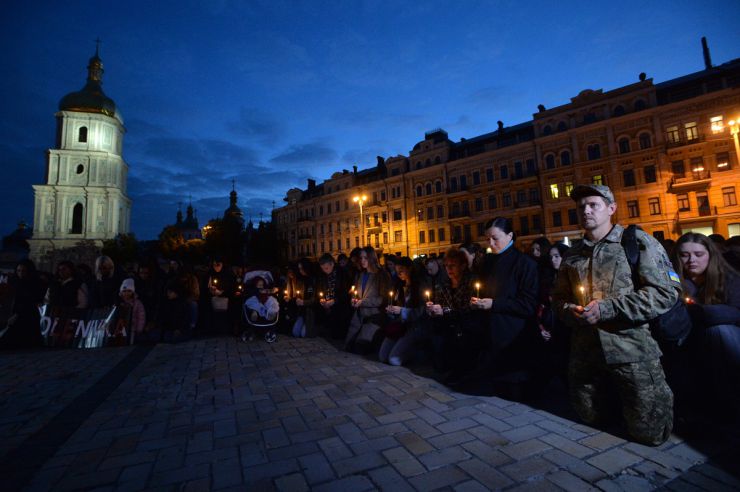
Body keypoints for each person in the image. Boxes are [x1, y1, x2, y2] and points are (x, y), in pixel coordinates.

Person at [552, 184, 680, 446]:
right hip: (586, 351)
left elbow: (665, 292)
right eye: (581, 206)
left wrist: (608, 309)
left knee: (651, 433)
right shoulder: (573, 254)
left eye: (593, 205)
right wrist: (570, 311)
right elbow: (558, 299)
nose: (585, 210)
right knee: (590, 416)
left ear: (611, 209)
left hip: (630, 349)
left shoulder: (635, 242)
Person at [672, 232, 740, 421]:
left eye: (698, 254)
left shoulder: (730, 278)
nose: (691, 260)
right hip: (690, 340)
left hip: (728, 340)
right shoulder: (674, 282)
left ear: (710, 254)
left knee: (718, 332)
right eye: (685, 255)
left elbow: (737, 310)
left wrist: (702, 312)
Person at [470, 217, 540, 397]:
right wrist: (478, 301)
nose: (491, 243)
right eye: (487, 239)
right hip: (492, 336)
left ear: (510, 236)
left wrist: (494, 303)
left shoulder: (525, 264)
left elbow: (528, 304)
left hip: (514, 338)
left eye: (495, 238)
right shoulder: (488, 262)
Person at [426, 248, 478, 381]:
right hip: (447, 323)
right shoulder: (443, 284)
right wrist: (433, 309)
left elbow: (469, 309)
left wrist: (445, 311)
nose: (448, 269)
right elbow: (439, 304)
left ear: (463, 265)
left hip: (466, 325)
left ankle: (463, 370)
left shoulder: (470, 283)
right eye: (446, 266)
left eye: (452, 265)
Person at [379, 257, 426, 366]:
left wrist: (402, 311)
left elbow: (421, 312)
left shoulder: (419, 286)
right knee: (383, 357)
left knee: (393, 360)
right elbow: (395, 305)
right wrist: (391, 311)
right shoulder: (399, 285)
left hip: (414, 327)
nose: (399, 273)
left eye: (401, 270)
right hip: (399, 326)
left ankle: (419, 352)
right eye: (396, 271)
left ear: (409, 269)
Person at [344, 246, 389, 353]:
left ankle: (376, 339)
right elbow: (356, 293)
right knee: (347, 346)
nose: (362, 261)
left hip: (374, 316)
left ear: (372, 258)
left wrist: (363, 302)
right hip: (359, 315)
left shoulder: (381, 274)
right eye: (361, 258)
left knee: (360, 348)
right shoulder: (361, 274)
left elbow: (383, 299)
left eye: (365, 258)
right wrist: (353, 299)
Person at [2, 260, 45, 348]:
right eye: (18, 271)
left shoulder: (36, 283)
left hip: (28, 315)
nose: (21, 273)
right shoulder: (14, 282)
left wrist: (16, 314)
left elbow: (32, 301)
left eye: (23, 271)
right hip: (14, 313)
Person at [316, 253, 352, 340]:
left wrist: (334, 301)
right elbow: (320, 289)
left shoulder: (342, 273)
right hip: (328, 309)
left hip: (341, 309)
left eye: (326, 268)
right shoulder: (323, 275)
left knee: (338, 335)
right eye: (323, 269)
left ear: (332, 263)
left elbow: (347, 292)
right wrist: (322, 299)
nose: (325, 271)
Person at [117, 278, 145, 343]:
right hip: (121, 327)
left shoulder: (137, 303)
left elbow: (141, 316)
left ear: (133, 292)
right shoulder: (119, 303)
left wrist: (139, 328)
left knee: (129, 342)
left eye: (129, 291)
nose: (126, 293)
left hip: (132, 328)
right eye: (124, 291)